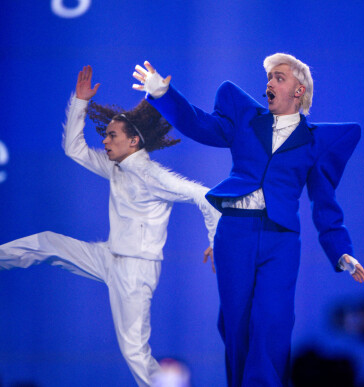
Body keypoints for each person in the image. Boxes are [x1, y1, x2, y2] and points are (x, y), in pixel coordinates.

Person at [132, 53, 364, 386]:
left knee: (273, 320)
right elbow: (199, 124)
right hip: (235, 232)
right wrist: (162, 94)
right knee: (237, 327)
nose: (269, 83)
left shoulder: (317, 141)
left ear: (299, 90)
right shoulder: (245, 118)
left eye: (279, 77)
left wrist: (340, 250)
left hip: (281, 238)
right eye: (268, 77)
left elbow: (324, 203)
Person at [0, 66, 220, 387]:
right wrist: (79, 102)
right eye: (105, 135)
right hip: (108, 256)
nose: (104, 140)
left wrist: (217, 239)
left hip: (135, 270)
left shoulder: (151, 176)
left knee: (134, 353)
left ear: (133, 141)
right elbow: (73, 149)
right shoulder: (116, 165)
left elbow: (206, 197)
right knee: (47, 242)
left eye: (111, 135)